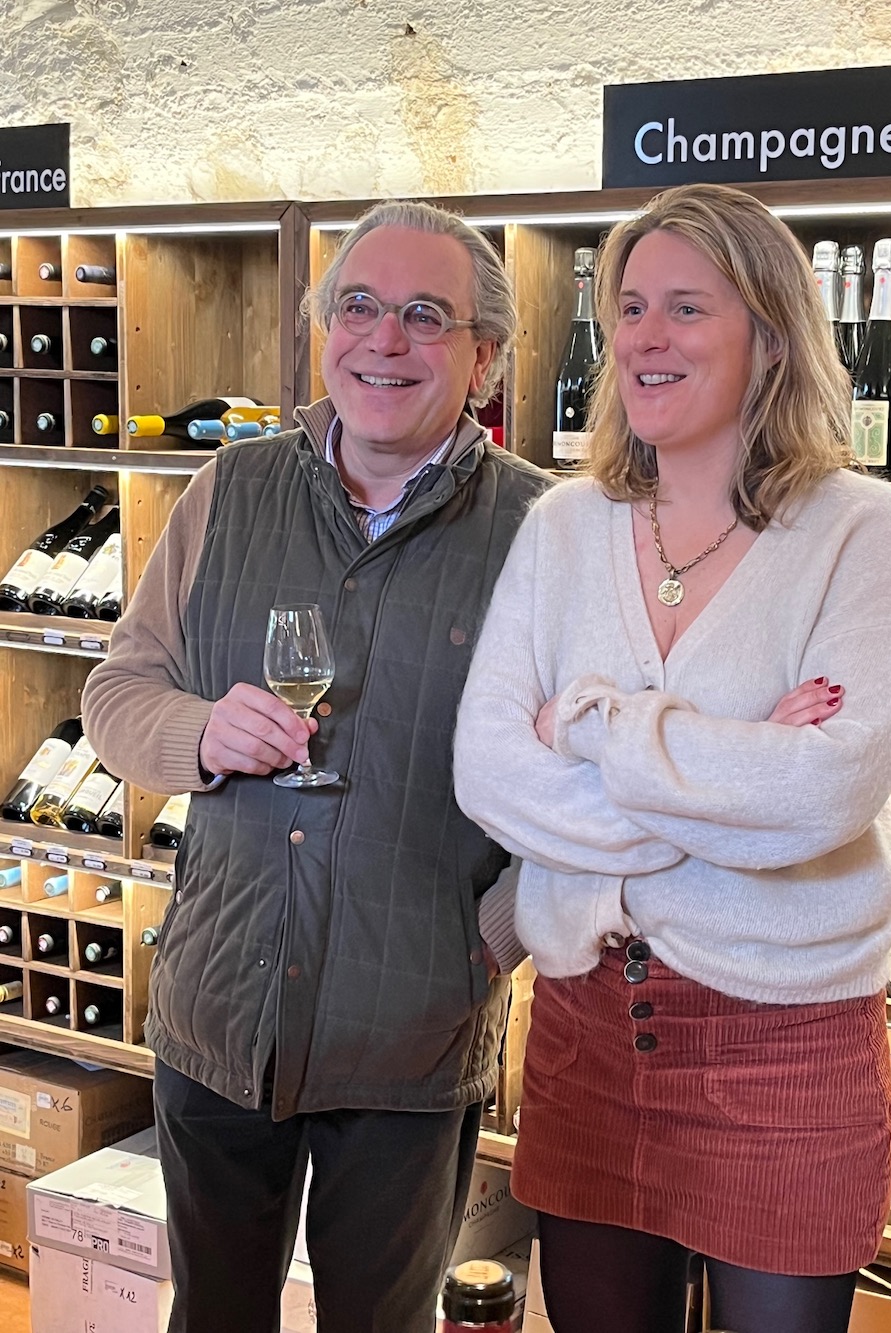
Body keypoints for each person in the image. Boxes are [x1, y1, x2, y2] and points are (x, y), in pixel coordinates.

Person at [453, 182, 891, 1333]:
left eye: (686, 307)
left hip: (786, 1045)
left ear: (769, 334)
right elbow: (486, 768)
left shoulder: (862, 530)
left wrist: (601, 729)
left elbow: (825, 788)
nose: (643, 339)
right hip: (581, 1032)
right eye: (628, 309)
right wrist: (735, 764)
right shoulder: (563, 524)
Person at [81, 199, 551, 1333]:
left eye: (424, 315)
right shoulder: (229, 492)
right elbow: (115, 695)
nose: (382, 339)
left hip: (410, 1044)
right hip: (218, 1017)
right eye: (357, 306)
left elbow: (588, 799)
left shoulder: (547, 532)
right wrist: (196, 733)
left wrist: (479, 946)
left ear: (483, 354)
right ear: (320, 328)